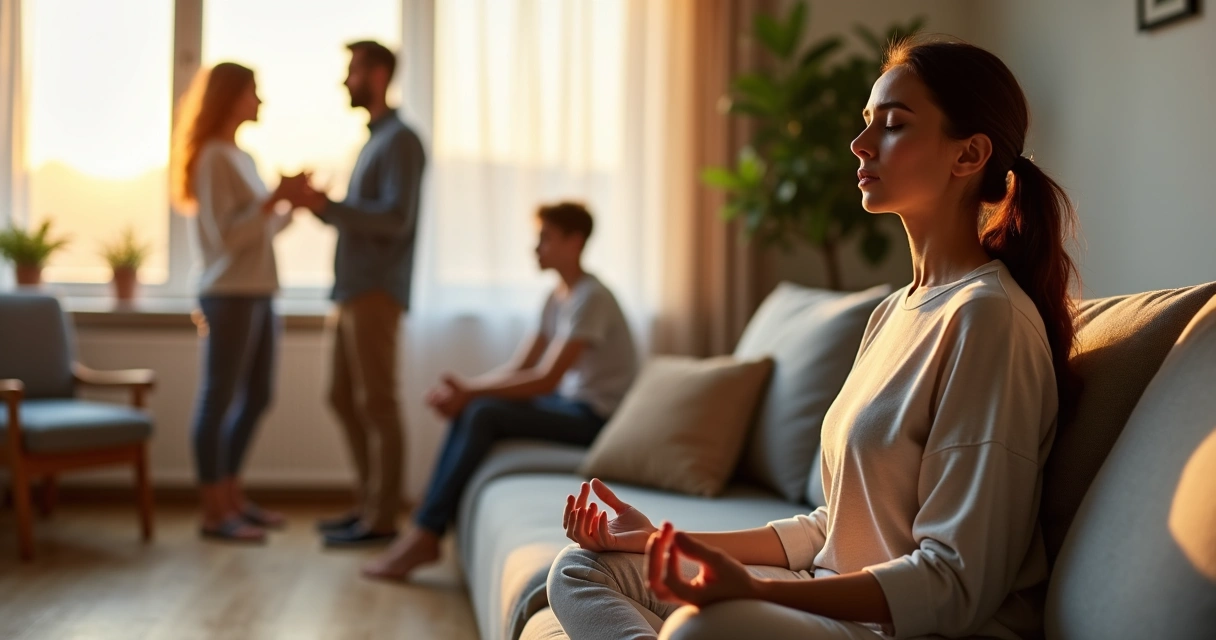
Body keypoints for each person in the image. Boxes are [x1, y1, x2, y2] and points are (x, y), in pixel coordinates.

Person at [545, 37, 1080, 640]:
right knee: (582, 568)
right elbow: (833, 528)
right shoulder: (893, 313)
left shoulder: (989, 321)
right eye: (866, 122)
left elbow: (953, 583)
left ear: (968, 155)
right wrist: (659, 539)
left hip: (900, 626)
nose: (860, 144)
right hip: (828, 599)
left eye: (894, 125)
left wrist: (752, 590)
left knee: (701, 628)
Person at [362, 201, 639, 581]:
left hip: (596, 417)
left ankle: (426, 530)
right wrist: (467, 391)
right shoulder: (557, 296)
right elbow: (521, 367)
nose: (535, 248)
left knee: (484, 412)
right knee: (476, 408)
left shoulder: (591, 297)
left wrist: (470, 394)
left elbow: (546, 379)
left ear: (575, 242)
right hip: (569, 404)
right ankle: (427, 523)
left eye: (545, 238)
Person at [288, 41, 426, 547]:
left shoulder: (401, 141)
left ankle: (383, 518)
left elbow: (394, 220)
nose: (345, 81)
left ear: (379, 73)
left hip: (375, 291)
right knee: (343, 397)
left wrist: (328, 205)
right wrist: (321, 206)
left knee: (378, 404)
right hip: (351, 290)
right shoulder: (374, 140)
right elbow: (363, 215)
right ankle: (370, 505)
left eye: (353, 71)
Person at [171, 62, 308, 542]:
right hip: (228, 294)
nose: (260, 101)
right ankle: (214, 512)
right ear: (230, 97)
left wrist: (291, 202)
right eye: (253, 92)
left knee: (258, 397)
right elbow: (226, 237)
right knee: (218, 399)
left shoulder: (241, 156)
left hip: (257, 293)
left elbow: (259, 230)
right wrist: (274, 200)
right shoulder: (213, 158)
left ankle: (231, 496)